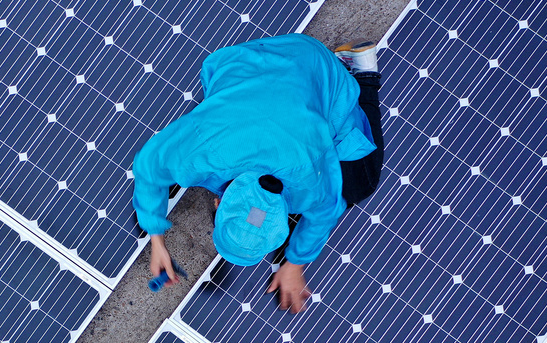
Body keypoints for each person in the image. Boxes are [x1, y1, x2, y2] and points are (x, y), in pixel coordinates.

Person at [132, 34, 384, 313]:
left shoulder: (312, 182)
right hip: (255, 62)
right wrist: (155, 237)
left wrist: (295, 264)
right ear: (219, 202)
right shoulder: (203, 153)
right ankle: (359, 77)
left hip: (308, 63)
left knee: (362, 183)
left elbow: (327, 212)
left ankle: (363, 71)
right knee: (354, 179)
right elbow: (148, 165)